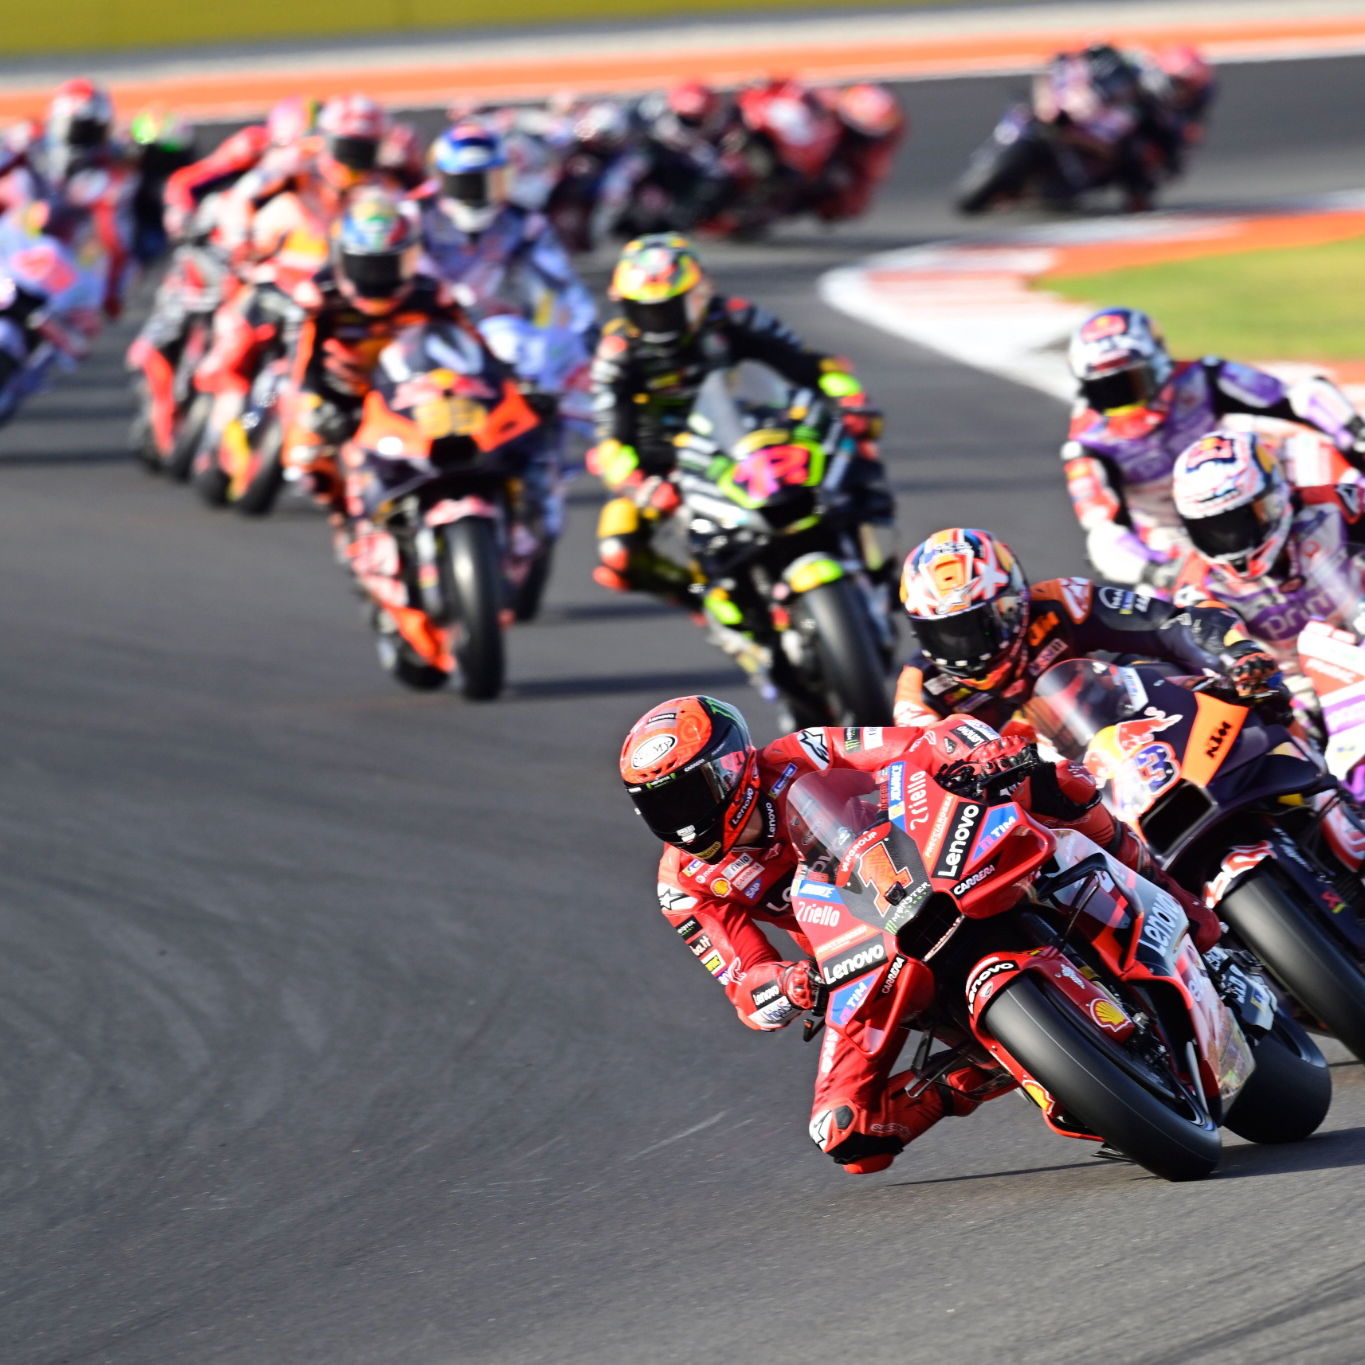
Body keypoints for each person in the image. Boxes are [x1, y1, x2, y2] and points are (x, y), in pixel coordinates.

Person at [620, 695, 1221, 1174]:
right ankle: (988, 1067)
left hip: (930, 862)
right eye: (660, 809)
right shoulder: (685, 883)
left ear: (731, 768)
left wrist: (969, 758)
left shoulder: (801, 752)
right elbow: (743, 984)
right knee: (847, 1135)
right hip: (862, 954)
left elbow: (914, 745)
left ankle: (1169, 890)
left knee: (1054, 778)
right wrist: (790, 984)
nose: (683, 822)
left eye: (689, 795)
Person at [588, 232, 890, 600]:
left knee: (852, 446)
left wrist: (850, 396)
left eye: (667, 309)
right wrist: (639, 483)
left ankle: (875, 564)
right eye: (644, 310)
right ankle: (702, 596)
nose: (656, 321)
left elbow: (809, 364)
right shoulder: (617, 352)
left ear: (698, 295)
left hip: (746, 438)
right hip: (665, 465)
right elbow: (610, 439)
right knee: (618, 553)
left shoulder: (735, 317)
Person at [1062, 306, 1365, 587]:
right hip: (1175, 541)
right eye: (1103, 391)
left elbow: (1304, 397)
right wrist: (1161, 572)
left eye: (1129, 384)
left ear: (1157, 363)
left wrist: (1355, 438)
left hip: (1249, 496)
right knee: (1159, 622)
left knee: (1309, 450)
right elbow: (1104, 536)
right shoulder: (1087, 445)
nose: (1123, 401)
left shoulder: (1203, 375)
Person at [892, 526, 1289, 731]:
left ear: (1011, 605)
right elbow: (920, 764)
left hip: (1132, 735)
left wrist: (1236, 653)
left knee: (1181, 676)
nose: (963, 647)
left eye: (973, 626)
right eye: (943, 632)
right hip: (1056, 807)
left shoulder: (1060, 602)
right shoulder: (921, 690)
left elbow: (1173, 623)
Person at [1170, 429, 1365, 706]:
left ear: (1272, 496)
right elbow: (1205, 652)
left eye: (1240, 520)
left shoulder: (1337, 504)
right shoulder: (1198, 587)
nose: (1229, 539)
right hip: (1298, 689)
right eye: (1211, 529)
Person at [418, 119, 597, 343]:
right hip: (428, 330)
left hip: (500, 330)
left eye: (489, 182)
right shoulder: (413, 218)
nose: (478, 195)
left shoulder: (524, 223)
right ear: (440, 180)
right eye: (467, 184)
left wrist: (586, 328)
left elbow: (564, 281)